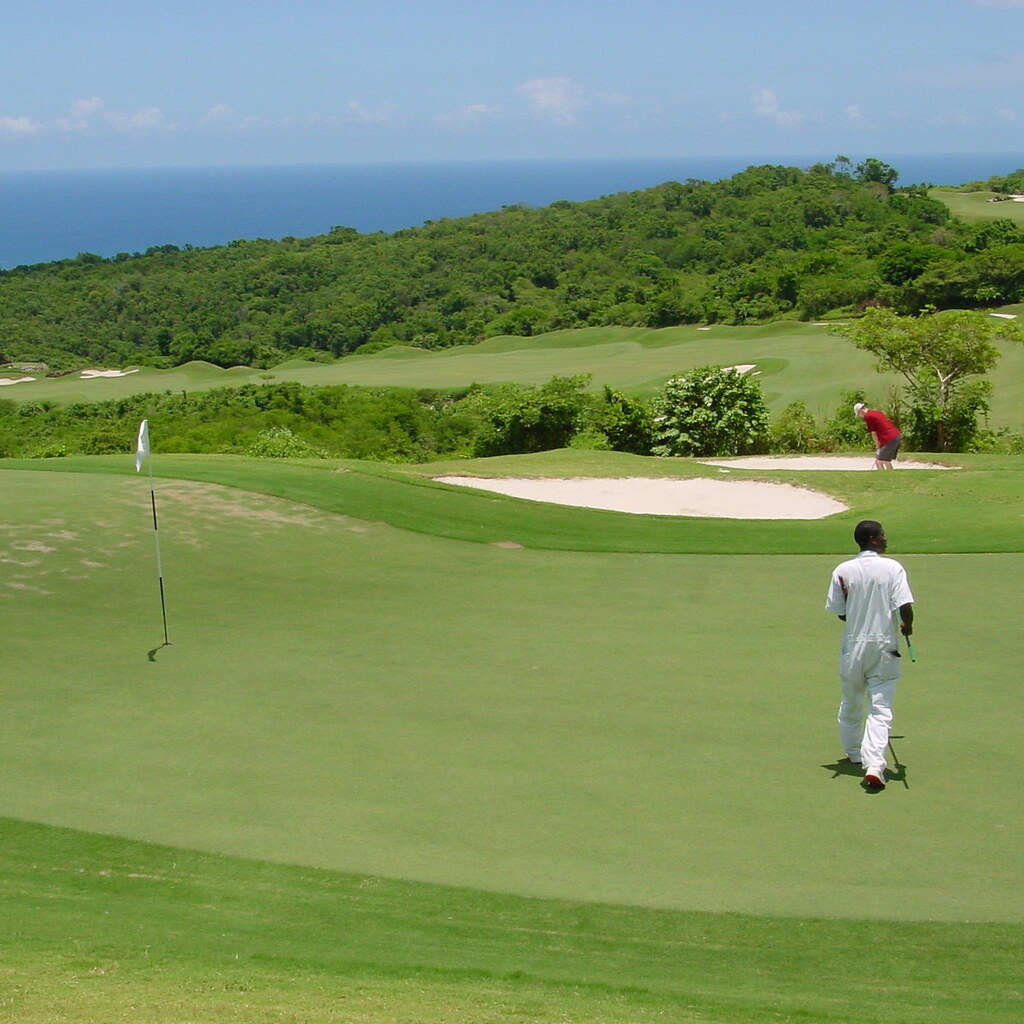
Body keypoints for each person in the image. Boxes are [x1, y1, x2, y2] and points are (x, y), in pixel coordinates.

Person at [824, 520, 914, 791]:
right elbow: (904, 605)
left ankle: (854, 752)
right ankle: (874, 765)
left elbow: (840, 612)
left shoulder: (843, 570)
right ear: (873, 539)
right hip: (884, 647)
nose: (886, 539)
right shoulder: (893, 568)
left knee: (851, 699)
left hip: (852, 646)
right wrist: (907, 625)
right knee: (880, 708)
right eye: (882, 535)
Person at [854, 402, 902, 469]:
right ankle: (891, 474)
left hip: (889, 438)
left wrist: (877, 447)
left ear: (861, 411)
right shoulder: (877, 412)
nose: (860, 416)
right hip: (896, 435)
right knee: (886, 461)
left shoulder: (868, 416)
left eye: (859, 414)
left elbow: (873, 433)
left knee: (879, 461)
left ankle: (882, 475)